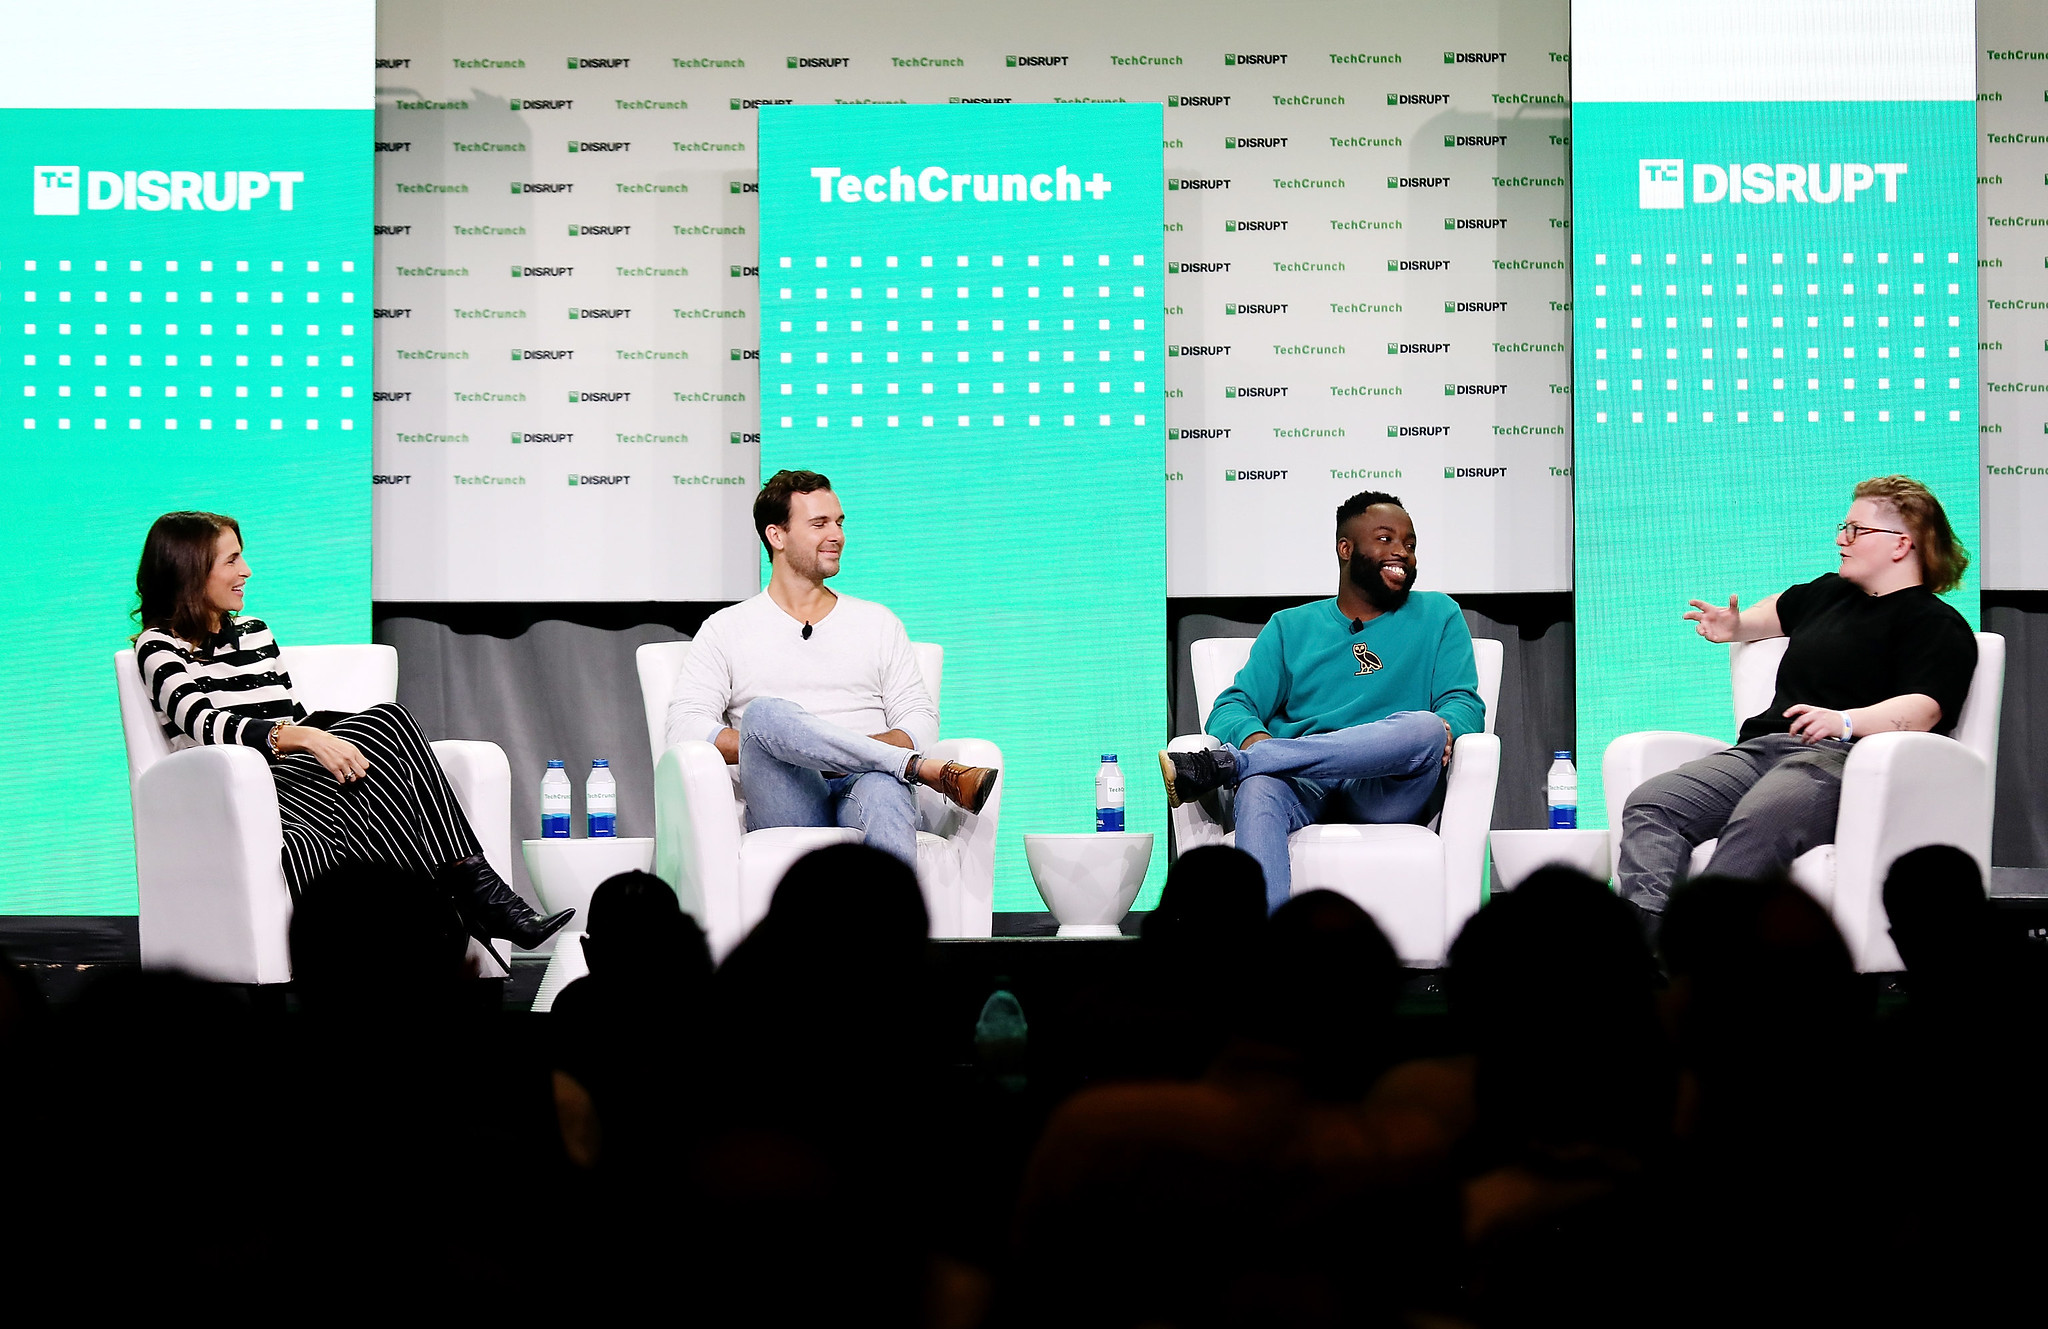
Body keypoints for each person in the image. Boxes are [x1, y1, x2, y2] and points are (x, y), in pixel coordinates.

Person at [131, 512, 572, 957]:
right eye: (231, 560)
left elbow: (294, 715)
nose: (246, 571)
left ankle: (445, 914)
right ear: (190, 569)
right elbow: (206, 726)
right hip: (249, 792)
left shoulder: (256, 633)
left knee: (388, 727)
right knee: (388, 722)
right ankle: (474, 898)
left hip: (302, 779)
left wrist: (325, 732)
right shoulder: (157, 646)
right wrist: (305, 738)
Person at [1615, 476, 1978, 934]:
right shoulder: (1828, 593)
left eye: (1855, 530)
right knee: (1653, 803)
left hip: (1840, 760)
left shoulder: (1935, 623)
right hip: (1762, 750)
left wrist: (1845, 721)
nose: (1840, 539)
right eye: (1843, 526)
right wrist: (1734, 624)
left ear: (1901, 544)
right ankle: (1646, 954)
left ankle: (1705, 956)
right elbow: (1770, 612)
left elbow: (1923, 709)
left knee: (1759, 819)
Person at [1157, 490, 1485, 910]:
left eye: (1410, 543)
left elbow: (1463, 704)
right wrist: (1254, 736)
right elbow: (1232, 706)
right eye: (1386, 539)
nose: (1402, 552)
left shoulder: (1439, 613)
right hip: (1305, 784)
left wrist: (1448, 728)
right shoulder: (1290, 628)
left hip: (1387, 785)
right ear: (1345, 548)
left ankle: (1235, 764)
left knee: (1425, 727)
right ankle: (1267, 960)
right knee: (1258, 789)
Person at [663, 470, 996, 866]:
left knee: (887, 792)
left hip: (865, 784)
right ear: (776, 536)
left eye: (839, 522)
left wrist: (843, 754)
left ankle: (894, 927)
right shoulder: (726, 628)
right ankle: (915, 768)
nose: (836, 535)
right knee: (766, 715)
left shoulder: (877, 622)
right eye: (819, 523)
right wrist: (776, 743)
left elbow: (919, 720)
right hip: (785, 791)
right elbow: (685, 726)